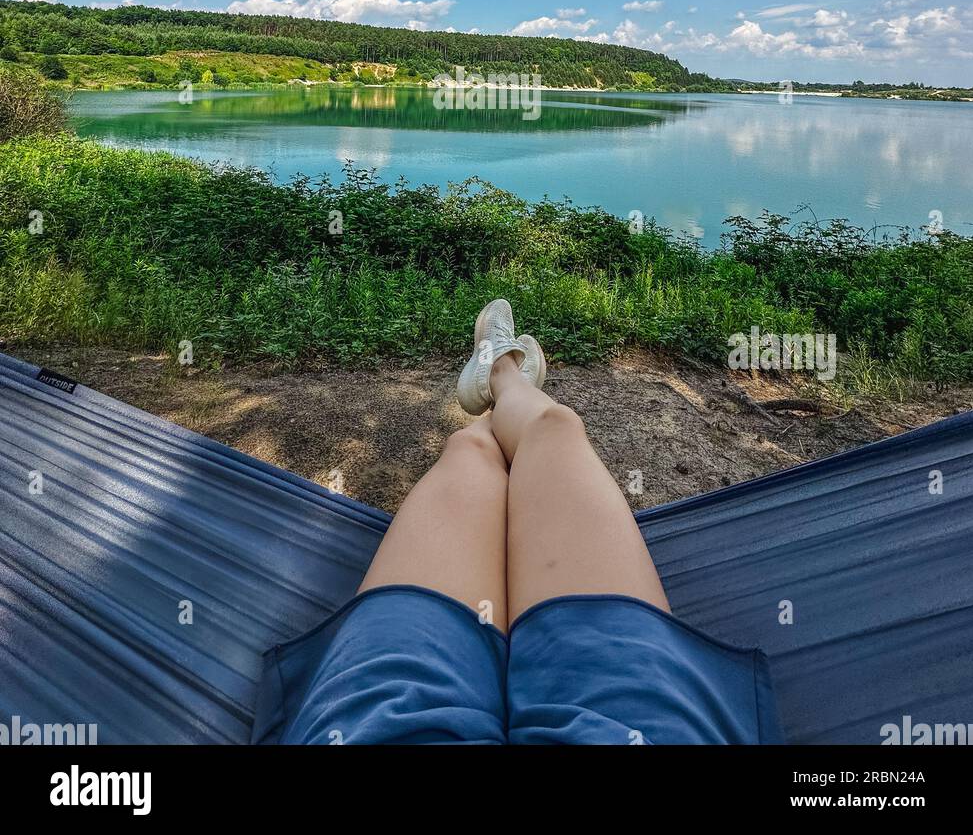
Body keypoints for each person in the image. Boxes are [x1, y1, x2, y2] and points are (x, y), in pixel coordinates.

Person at [255, 300, 783, 745]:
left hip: (385, 725)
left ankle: (497, 385)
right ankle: (506, 380)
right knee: (554, 425)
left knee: (475, 449)